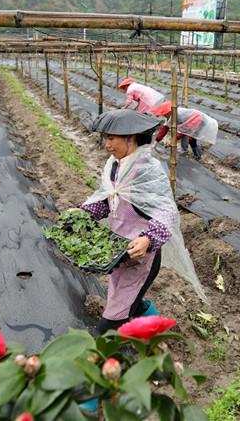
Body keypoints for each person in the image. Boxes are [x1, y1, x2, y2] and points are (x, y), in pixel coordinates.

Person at [75, 109, 178, 334]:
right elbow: (109, 200)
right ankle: (156, 331)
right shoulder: (114, 165)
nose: (107, 144)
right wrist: (83, 213)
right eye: (106, 138)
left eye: (112, 138)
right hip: (119, 251)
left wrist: (148, 239)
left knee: (112, 321)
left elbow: (167, 209)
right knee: (131, 300)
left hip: (140, 255)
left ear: (130, 138)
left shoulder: (147, 169)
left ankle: (118, 347)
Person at [150, 101, 218, 160]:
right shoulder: (171, 116)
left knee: (191, 139)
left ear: (168, 112)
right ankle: (185, 150)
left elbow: (184, 130)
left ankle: (197, 156)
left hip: (197, 119)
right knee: (187, 136)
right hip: (193, 119)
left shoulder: (176, 114)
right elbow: (165, 128)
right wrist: (156, 142)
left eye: (165, 114)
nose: (164, 116)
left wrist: (173, 140)